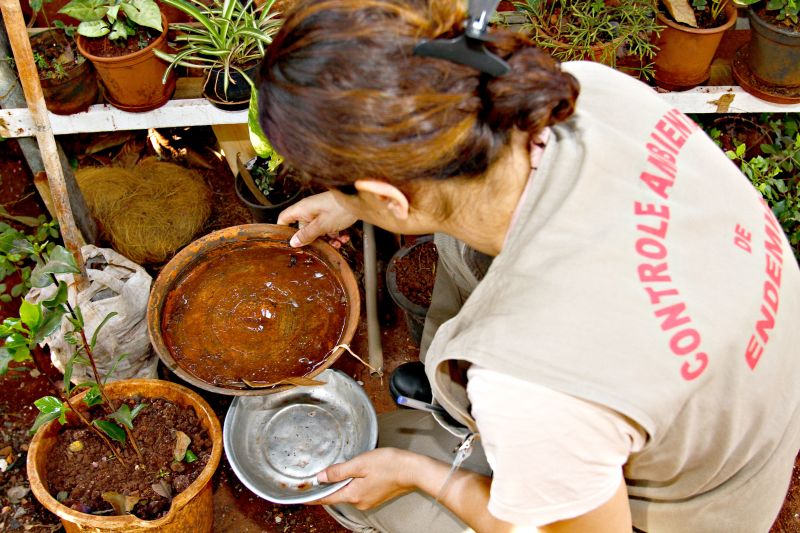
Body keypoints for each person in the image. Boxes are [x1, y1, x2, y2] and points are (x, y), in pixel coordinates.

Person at [257, 1, 800, 531]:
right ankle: (473, 415)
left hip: (702, 505)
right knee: (457, 245)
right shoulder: (588, 90)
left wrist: (413, 473)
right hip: (744, 388)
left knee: (373, 479)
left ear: (392, 198)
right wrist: (351, 199)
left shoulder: (533, 387)